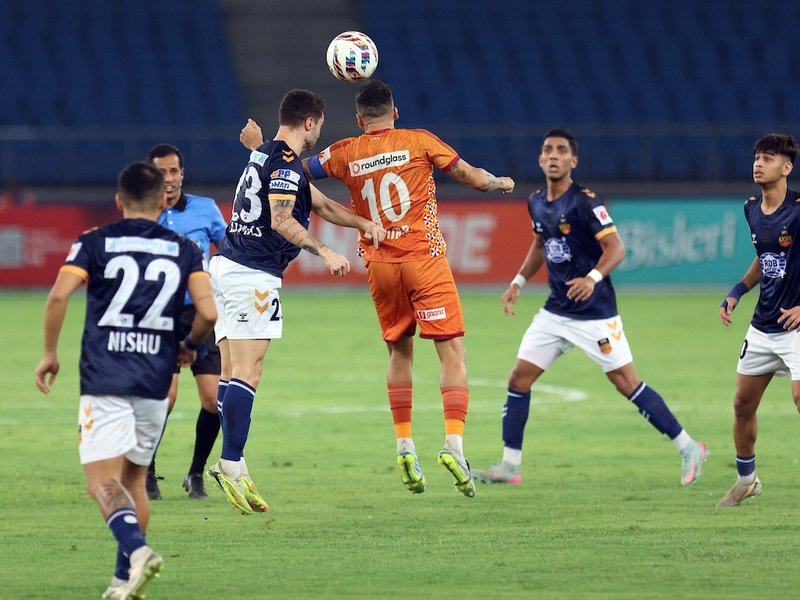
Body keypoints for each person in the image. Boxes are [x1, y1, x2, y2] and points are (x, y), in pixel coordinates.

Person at [240, 79, 515, 498]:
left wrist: (259, 149)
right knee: (451, 350)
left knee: (398, 351)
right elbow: (472, 178)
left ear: (358, 118)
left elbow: (289, 172)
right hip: (424, 258)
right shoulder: (419, 140)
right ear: (395, 111)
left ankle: (404, 442)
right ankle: (454, 445)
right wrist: (500, 184)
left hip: (380, 263)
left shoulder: (345, 151)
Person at [470, 129, 708, 488]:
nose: (553, 155)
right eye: (547, 150)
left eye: (561, 150)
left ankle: (690, 447)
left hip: (595, 313)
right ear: (539, 159)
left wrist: (592, 277)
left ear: (573, 161)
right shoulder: (536, 201)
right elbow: (540, 243)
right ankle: (509, 466)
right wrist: (518, 282)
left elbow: (617, 248)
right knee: (518, 379)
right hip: (555, 312)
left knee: (627, 383)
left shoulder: (585, 203)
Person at [34, 162, 216, 599]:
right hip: (156, 379)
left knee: (101, 482)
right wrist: (189, 345)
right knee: (135, 482)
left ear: (118, 201)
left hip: (105, 377)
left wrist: (49, 354)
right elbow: (208, 313)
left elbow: (59, 294)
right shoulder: (183, 248)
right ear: (161, 201)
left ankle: (137, 552)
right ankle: (122, 580)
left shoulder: (94, 242)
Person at [208, 89, 387, 515]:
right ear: (310, 122)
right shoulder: (286, 164)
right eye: (320, 126)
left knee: (233, 370)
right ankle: (230, 462)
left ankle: (237, 460)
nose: (320, 133)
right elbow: (283, 219)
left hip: (227, 267)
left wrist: (364, 223)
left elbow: (321, 203)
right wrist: (325, 252)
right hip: (252, 275)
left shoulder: (269, 154)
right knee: (249, 371)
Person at [716, 133, 800, 508]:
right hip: (763, 325)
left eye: (768, 158)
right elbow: (764, 260)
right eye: (757, 157)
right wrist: (738, 290)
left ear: (787, 167)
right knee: (742, 406)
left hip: (796, 326)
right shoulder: (751, 208)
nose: (758, 163)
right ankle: (746, 480)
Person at [143, 143, 228, 501]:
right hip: (158, 313)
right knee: (165, 398)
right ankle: (146, 471)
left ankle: (195, 473)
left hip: (201, 314)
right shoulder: (143, 214)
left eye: (174, 171)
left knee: (213, 400)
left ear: (182, 172)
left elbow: (227, 251)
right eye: (161, 172)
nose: (169, 178)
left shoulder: (205, 209)